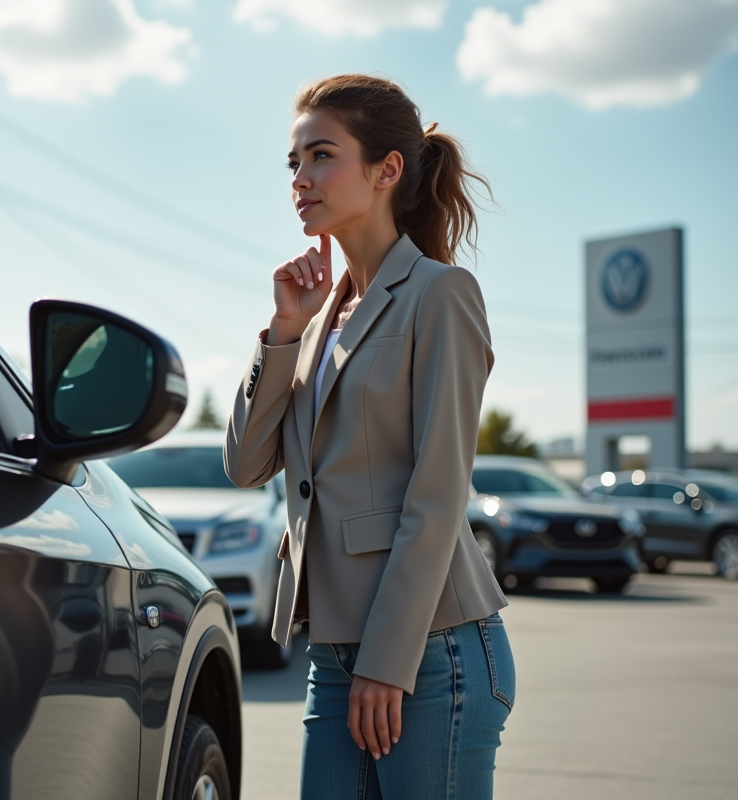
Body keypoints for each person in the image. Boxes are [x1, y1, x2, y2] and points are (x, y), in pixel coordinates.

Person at [223, 74, 514, 799]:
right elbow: (246, 464)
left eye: (322, 156)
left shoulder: (440, 295)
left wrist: (388, 661)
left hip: (431, 650)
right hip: (333, 653)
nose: (300, 178)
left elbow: (437, 494)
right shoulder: (316, 320)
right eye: (293, 162)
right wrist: (284, 331)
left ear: (387, 171)